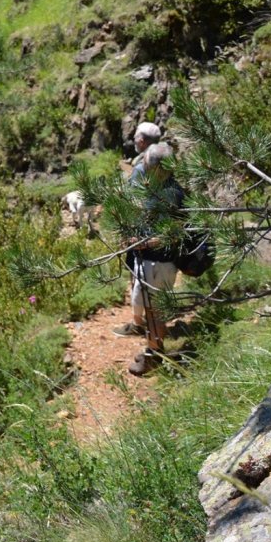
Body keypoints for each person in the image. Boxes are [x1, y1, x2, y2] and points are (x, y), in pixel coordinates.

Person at [124, 143, 184, 376]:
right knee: (150, 307)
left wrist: (146, 243)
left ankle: (154, 356)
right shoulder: (164, 188)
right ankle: (154, 347)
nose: (145, 169)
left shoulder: (173, 195)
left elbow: (177, 232)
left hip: (159, 262)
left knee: (154, 309)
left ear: (160, 169)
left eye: (149, 166)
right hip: (150, 260)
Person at [114, 121, 164, 338]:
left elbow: (133, 200)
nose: (134, 141)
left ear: (142, 141)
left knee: (137, 272)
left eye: (135, 138)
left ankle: (140, 323)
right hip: (160, 230)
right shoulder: (165, 160)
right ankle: (151, 321)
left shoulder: (142, 166)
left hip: (143, 232)